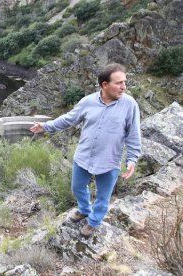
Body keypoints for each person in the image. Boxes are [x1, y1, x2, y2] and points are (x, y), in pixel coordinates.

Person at [29, 63, 141, 237]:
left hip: (109, 161)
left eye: (124, 82)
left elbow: (133, 134)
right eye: (119, 83)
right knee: (77, 187)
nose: (124, 87)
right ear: (105, 85)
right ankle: (84, 209)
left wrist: (132, 159)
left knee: (103, 198)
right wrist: (45, 126)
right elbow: (68, 119)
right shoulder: (87, 102)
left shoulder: (129, 105)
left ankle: (94, 222)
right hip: (84, 157)